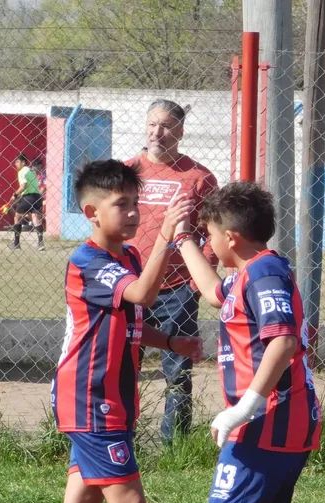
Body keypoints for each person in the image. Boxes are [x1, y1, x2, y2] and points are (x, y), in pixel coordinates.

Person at [0, 160, 226, 503]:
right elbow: (140, 296)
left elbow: (131, 321)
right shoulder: (88, 260)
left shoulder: (128, 259)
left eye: (135, 202)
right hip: (91, 400)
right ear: (91, 212)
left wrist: (171, 342)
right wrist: (167, 235)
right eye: (121, 204)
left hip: (110, 400)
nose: (133, 211)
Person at [173, 181, 321, 503]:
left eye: (210, 234)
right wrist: (183, 240)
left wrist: (245, 406)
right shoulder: (247, 273)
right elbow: (214, 293)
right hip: (272, 419)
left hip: (270, 419)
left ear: (231, 238)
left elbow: (281, 343)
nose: (208, 243)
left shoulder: (265, 274)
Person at [126, 100, 218, 444]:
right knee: (124, 368)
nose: (157, 132)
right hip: (131, 286)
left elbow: (213, 233)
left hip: (177, 289)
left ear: (179, 131)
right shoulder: (127, 170)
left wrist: (198, 281)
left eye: (165, 126)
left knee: (177, 371)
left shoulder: (198, 177)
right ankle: (122, 436)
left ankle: (174, 445)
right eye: (152, 124)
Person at [10, 155, 45, 251]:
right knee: (36, 219)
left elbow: (24, 185)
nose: (15, 164)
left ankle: (16, 243)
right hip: (37, 197)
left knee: (17, 217)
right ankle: (40, 243)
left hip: (28, 196)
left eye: (17, 162)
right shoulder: (32, 172)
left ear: (23, 162)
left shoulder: (22, 172)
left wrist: (15, 195)